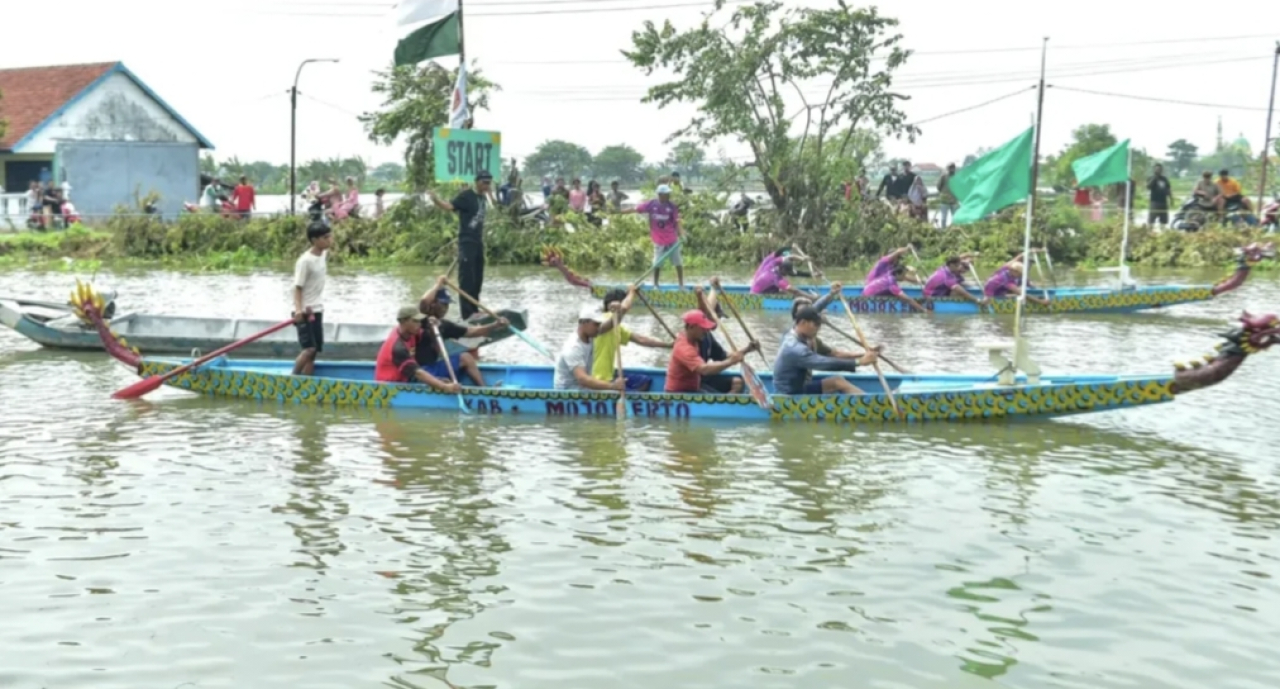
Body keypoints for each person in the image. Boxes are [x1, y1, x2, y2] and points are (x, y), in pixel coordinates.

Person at [410, 276, 508, 387]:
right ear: (433, 303)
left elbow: (471, 332)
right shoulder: (421, 320)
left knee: (466, 357)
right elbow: (424, 302)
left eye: (447, 305)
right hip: (419, 372)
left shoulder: (444, 325)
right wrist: (438, 285)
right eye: (443, 304)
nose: (446, 309)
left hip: (434, 367)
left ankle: (484, 390)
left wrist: (495, 325)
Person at [429, 171, 492, 320]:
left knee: (477, 278)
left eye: (489, 183)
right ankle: (467, 314)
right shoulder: (467, 195)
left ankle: (475, 310)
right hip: (467, 241)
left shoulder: (482, 198)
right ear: (477, 182)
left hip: (478, 242)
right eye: (484, 182)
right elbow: (449, 206)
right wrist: (435, 200)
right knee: (467, 279)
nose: (487, 186)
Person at [773, 307, 879, 395]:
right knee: (838, 382)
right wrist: (859, 362)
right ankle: (871, 403)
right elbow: (824, 363)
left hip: (795, 385)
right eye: (816, 325)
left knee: (837, 380)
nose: (818, 329)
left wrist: (831, 294)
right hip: (790, 393)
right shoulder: (795, 348)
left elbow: (812, 309)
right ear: (803, 323)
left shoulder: (791, 331)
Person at [591, 287, 673, 392]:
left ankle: (635, 402)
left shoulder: (617, 326)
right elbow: (623, 309)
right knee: (634, 391)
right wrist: (631, 292)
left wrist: (668, 344)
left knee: (644, 381)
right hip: (599, 379)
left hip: (609, 376)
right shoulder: (602, 321)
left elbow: (641, 339)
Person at [665, 310, 754, 393]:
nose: (706, 331)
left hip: (693, 387)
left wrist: (747, 349)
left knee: (737, 384)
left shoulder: (696, 339)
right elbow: (704, 369)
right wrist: (731, 361)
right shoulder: (684, 347)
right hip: (679, 393)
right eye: (703, 328)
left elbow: (724, 356)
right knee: (717, 400)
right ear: (691, 327)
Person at [554, 306, 628, 392]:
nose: (599, 327)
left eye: (600, 324)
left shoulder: (590, 335)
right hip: (567, 390)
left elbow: (612, 323)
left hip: (582, 386)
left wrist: (618, 312)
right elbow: (583, 379)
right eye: (596, 324)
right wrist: (612, 386)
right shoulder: (573, 347)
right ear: (583, 322)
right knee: (613, 393)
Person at [292, 222, 333, 376]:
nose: (330, 240)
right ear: (315, 240)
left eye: (330, 236)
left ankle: (308, 380)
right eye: (325, 237)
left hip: (317, 309)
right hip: (304, 311)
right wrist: (298, 310)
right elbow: (297, 287)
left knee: (315, 350)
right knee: (308, 349)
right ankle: (293, 378)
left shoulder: (323, 254)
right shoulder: (305, 261)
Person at [693, 281, 745, 394]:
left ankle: (728, 405)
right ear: (708, 317)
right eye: (717, 318)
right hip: (694, 381)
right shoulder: (696, 334)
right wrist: (703, 294)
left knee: (738, 382)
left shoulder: (708, 336)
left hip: (705, 377)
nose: (718, 322)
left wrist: (748, 349)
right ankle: (724, 405)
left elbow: (723, 356)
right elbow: (702, 311)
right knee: (714, 396)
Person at [632, 184, 685, 289]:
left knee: (678, 262)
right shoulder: (652, 204)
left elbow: (677, 221)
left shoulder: (672, 206)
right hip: (659, 239)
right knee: (657, 263)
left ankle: (681, 285)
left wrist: (682, 234)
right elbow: (637, 208)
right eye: (666, 194)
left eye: (668, 193)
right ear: (660, 195)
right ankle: (655, 285)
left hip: (672, 238)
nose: (668, 195)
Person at [984, 254, 1050, 307]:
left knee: (1018, 293)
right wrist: (1041, 302)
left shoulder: (1008, 270)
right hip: (991, 296)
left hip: (997, 290)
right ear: (1015, 271)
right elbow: (1022, 294)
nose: (1021, 275)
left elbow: (1028, 284)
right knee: (1021, 295)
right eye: (1020, 274)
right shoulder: (1007, 279)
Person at [750, 248, 815, 298]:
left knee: (784, 290)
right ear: (783, 269)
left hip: (759, 285)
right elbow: (795, 291)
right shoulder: (777, 279)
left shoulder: (775, 262)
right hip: (755, 295)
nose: (787, 274)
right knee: (788, 291)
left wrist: (802, 258)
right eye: (787, 272)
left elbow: (790, 257)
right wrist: (812, 298)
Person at [861, 262, 927, 312]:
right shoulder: (892, 285)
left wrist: (921, 281)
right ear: (897, 274)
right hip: (867, 297)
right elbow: (908, 300)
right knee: (901, 297)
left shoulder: (890, 272)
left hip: (866, 290)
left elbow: (903, 274)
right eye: (903, 275)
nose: (905, 277)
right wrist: (924, 310)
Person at [923, 256, 987, 307]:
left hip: (930, 293)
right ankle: (953, 307)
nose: (958, 268)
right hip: (931, 298)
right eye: (957, 266)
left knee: (959, 287)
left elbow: (956, 258)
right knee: (957, 291)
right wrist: (977, 300)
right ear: (951, 265)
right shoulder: (947, 277)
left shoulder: (944, 268)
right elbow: (962, 291)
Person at [937, 163, 957, 228]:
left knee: (955, 216)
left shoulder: (957, 177)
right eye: (950, 168)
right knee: (943, 217)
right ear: (948, 169)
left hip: (954, 200)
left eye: (953, 168)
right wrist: (943, 194)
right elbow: (938, 186)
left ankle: (954, 229)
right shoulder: (944, 177)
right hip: (944, 200)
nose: (952, 169)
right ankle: (943, 230)